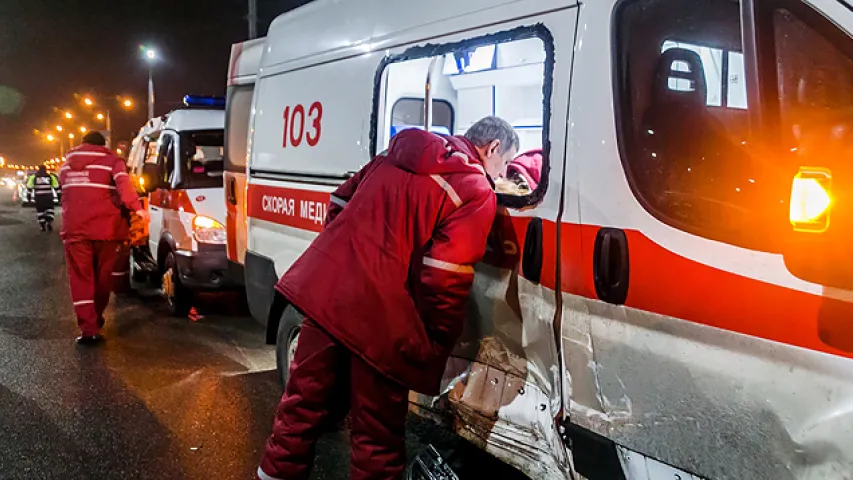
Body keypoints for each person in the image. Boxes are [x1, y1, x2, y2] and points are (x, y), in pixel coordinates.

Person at [257, 116, 519, 480]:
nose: (501, 174)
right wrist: (435, 341)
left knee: (301, 405)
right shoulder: (475, 189)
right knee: (376, 433)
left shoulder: (395, 154)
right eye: (504, 164)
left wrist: (348, 254)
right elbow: (445, 276)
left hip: (327, 295)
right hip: (381, 316)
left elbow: (338, 200)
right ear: (491, 149)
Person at [59, 131, 150, 345]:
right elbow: (125, 186)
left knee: (81, 278)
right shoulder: (112, 162)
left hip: (75, 230)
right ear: (103, 145)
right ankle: (95, 318)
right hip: (106, 230)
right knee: (102, 278)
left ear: (82, 144)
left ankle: (88, 328)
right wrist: (138, 209)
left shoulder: (66, 166)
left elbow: (66, 193)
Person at [26, 166, 60, 231]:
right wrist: (59, 198)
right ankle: (49, 222)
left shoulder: (34, 177)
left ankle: (42, 226)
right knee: (50, 210)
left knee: (40, 211)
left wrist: (29, 199)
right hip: (48, 197)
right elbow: (57, 188)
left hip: (39, 198)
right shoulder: (50, 177)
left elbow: (29, 189)